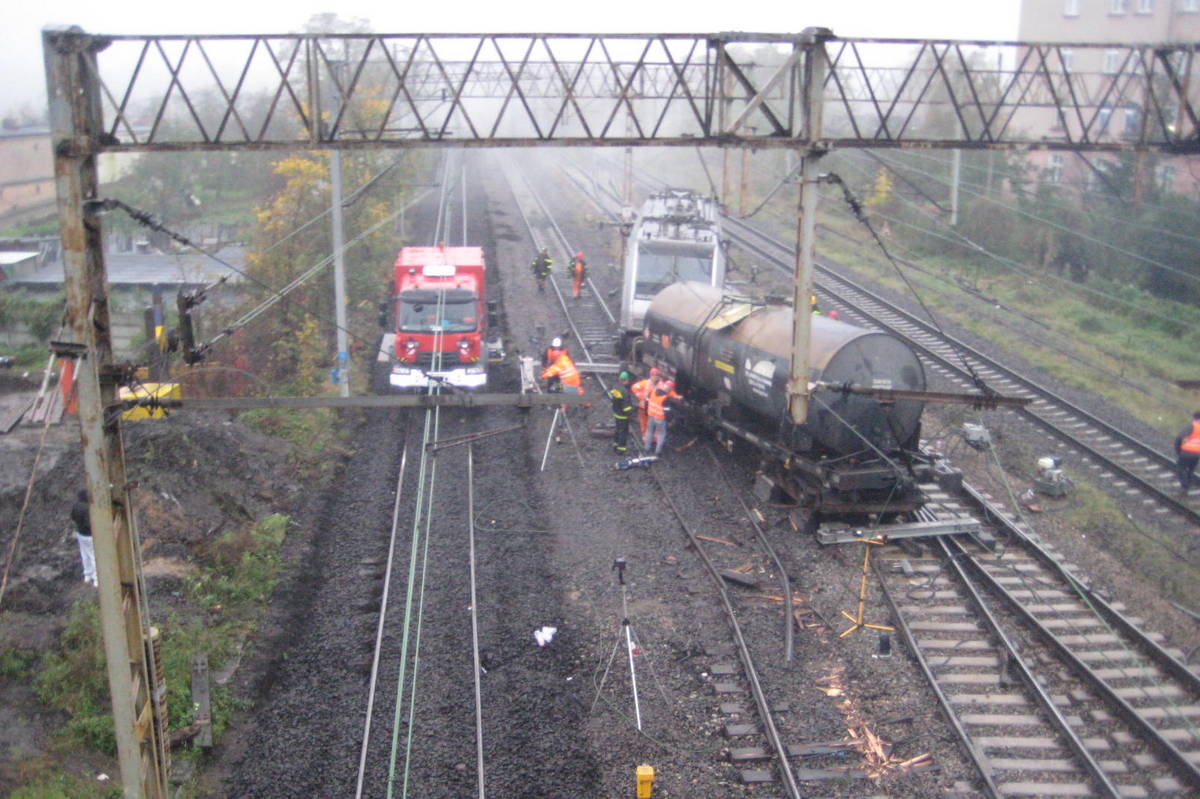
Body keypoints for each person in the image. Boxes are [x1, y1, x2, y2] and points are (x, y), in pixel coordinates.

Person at [643, 379, 682, 456]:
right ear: (669, 389)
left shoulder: (652, 392)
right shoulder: (665, 398)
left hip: (651, 415)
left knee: (650, 432)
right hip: (660, 418)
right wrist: (669, 421)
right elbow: (667, 412)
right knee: (661, 434)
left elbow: (646, 402)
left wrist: (646, 412)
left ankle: (646, 448)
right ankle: (657, 452)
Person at [70, 489, 97, 586]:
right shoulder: (87, 508)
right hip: (89, 535)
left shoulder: (76, 506)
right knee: (94, 556)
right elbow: (88, 523)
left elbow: (72, 517)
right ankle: (96, 579)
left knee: (85, 554)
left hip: (80, 534)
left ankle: (87, 575)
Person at [608, 371, 636, 454]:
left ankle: (615, 445)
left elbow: (613, 399)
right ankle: (621, 449)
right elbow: (626, 407)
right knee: (623, 432)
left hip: (616, 413)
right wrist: (632, 412)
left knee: (617, 430)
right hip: (623, 416)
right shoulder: (625, 392)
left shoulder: (615, 387)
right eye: (628, 380)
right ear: (625, 380)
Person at [1174, 411, 1200, 495]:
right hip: (1196, 454)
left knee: (1181, 469)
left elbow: (1179, 438)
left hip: (1186, 452)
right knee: (1190, 470)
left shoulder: (1192, 426)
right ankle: (1188, 484)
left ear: (1194, 417)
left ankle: (1185, 486)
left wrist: (1178, 451)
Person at [631, 367, 660, 438]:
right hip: (644, 407)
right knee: (644, 422)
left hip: (654, 409)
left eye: (657, 375)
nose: (656, 377)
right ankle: (645, 436)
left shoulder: (659, 384)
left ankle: (654, 437)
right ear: (651, 375)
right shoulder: (645, 383)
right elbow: (634, 387)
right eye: (655, 375)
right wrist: (640, 396)